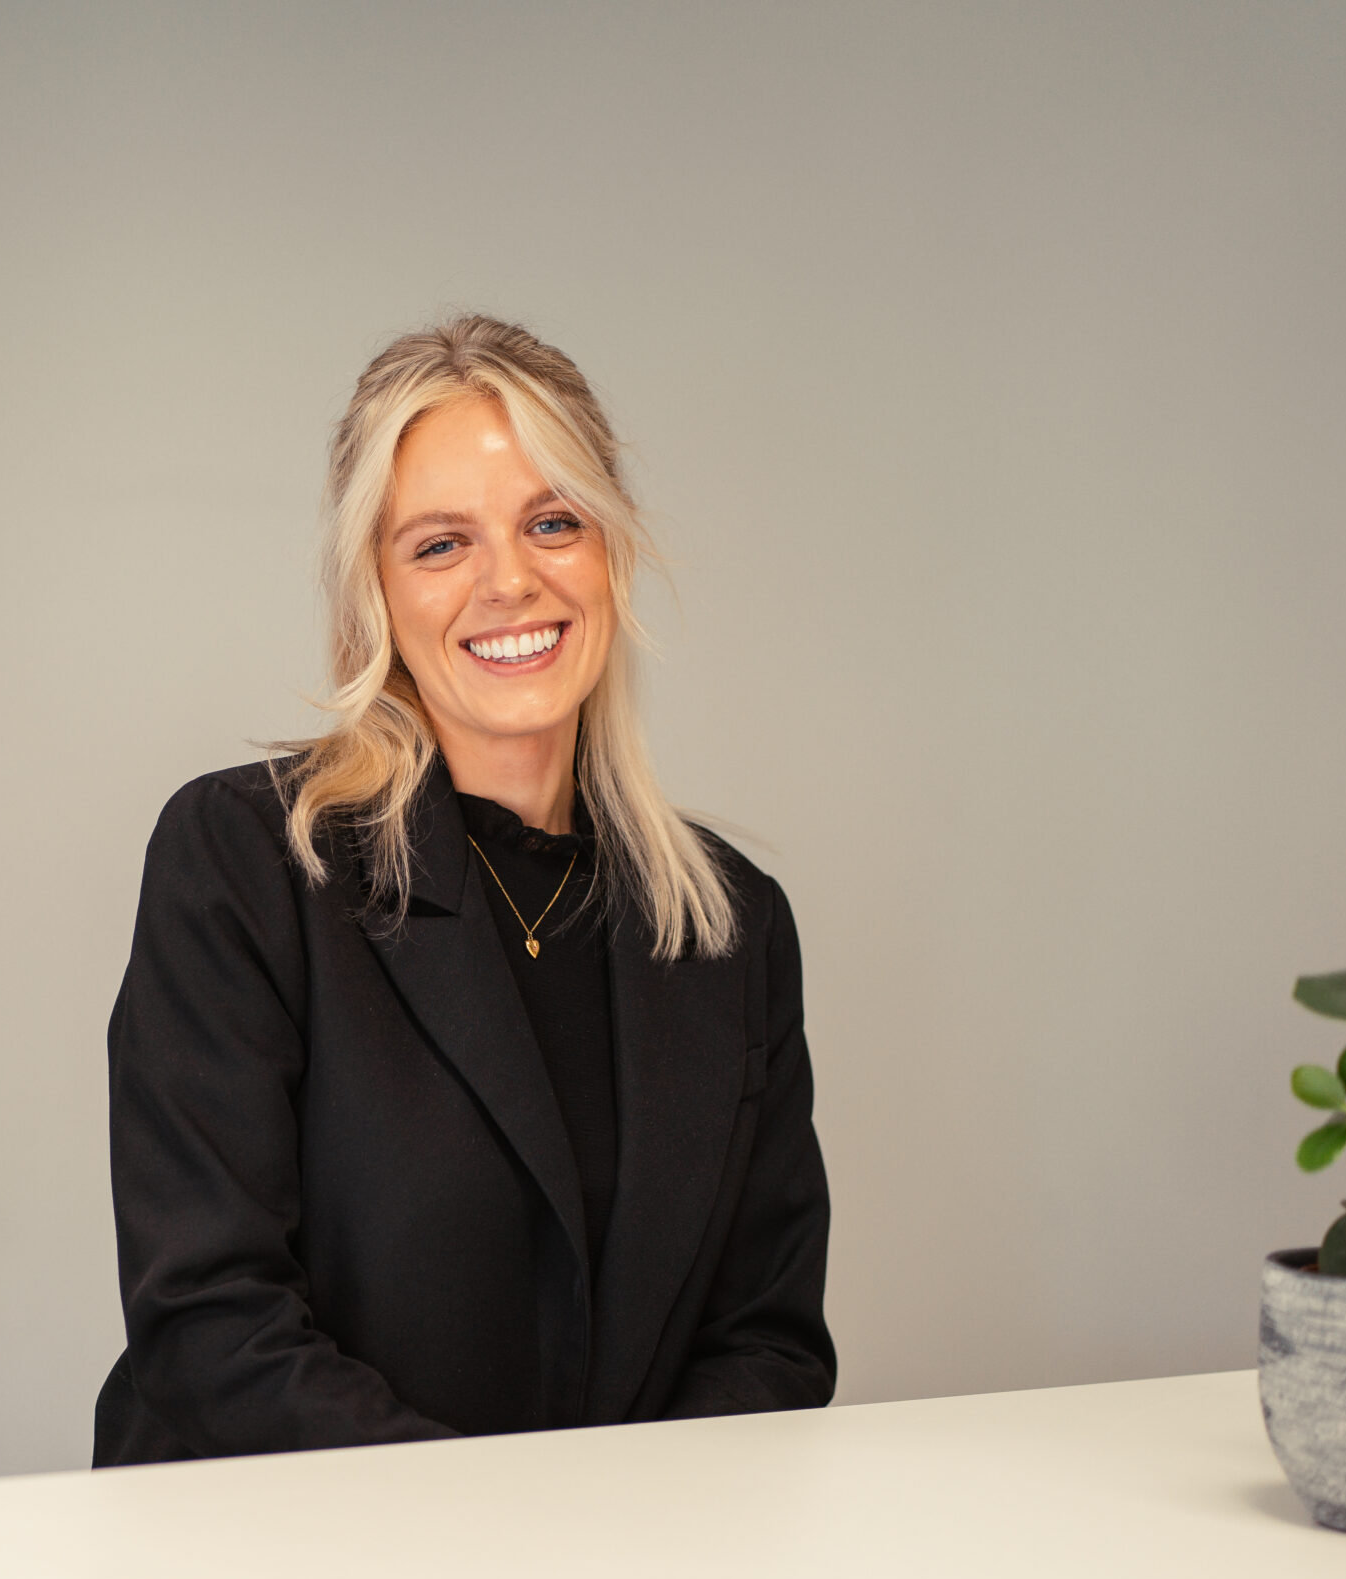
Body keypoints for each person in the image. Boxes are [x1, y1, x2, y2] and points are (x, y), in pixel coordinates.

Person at [93, 315, 834, 1465]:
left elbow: (767, 1346)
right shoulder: (245, 864)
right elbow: (212, 1326)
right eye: (440, 545)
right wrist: (500, 1538)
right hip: (291, 1561)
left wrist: (620, 1544)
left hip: (622, 1570)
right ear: (373, 593)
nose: (511, 581)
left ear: (611, 552)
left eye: (553, 522)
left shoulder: (729, 927)